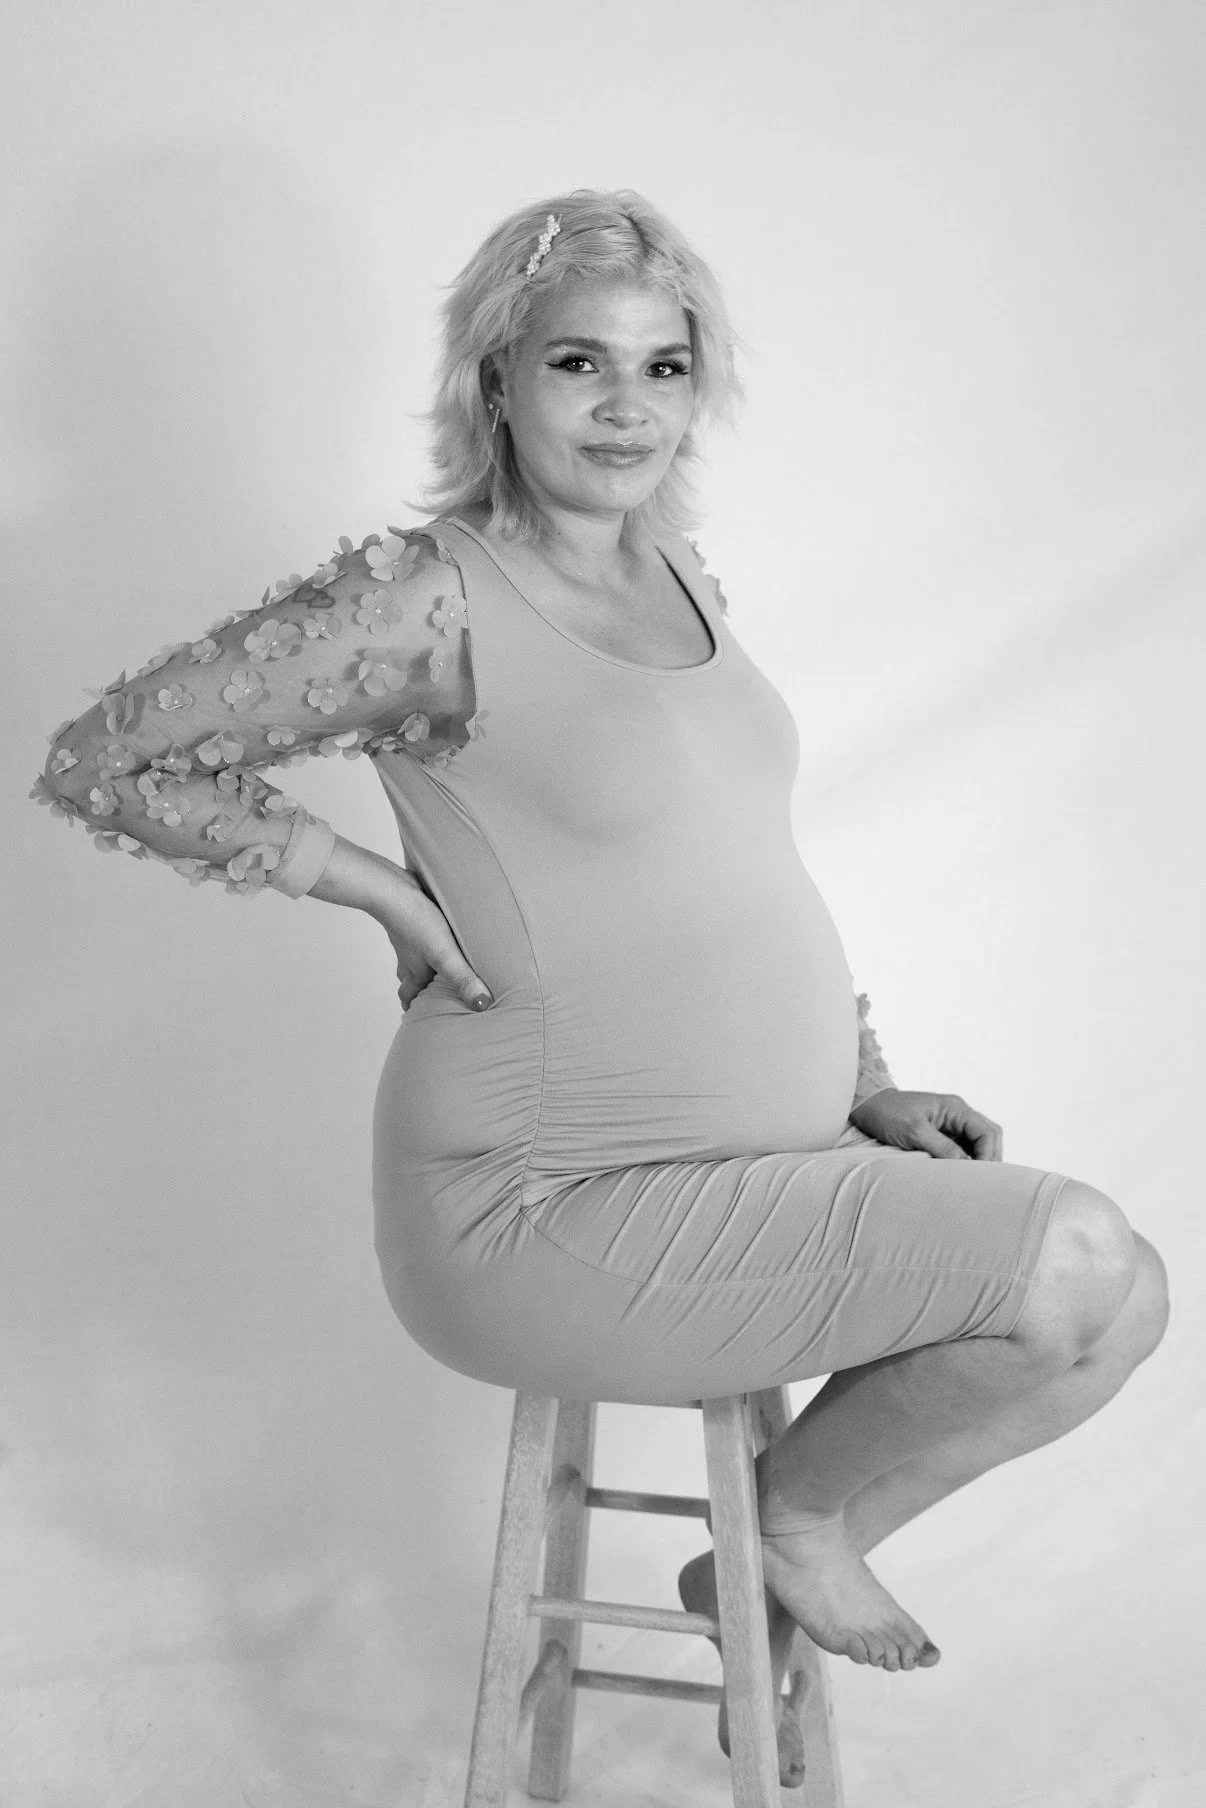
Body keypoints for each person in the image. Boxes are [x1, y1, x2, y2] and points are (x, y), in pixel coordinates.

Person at [33, 188, 1168, 1779]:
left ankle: (769, 1533)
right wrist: (375, 892)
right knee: (1064, 1260)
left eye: (663, 365)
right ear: (494, 379)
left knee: (1125, 1305)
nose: (624, 405)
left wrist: (860, 1084)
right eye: (578, 363)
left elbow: (727, 866)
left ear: (701, 388)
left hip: (743, 1162)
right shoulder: (426, 597)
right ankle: (800, 1525)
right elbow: (111, 756)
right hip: (543, 1197)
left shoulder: (678, 573)